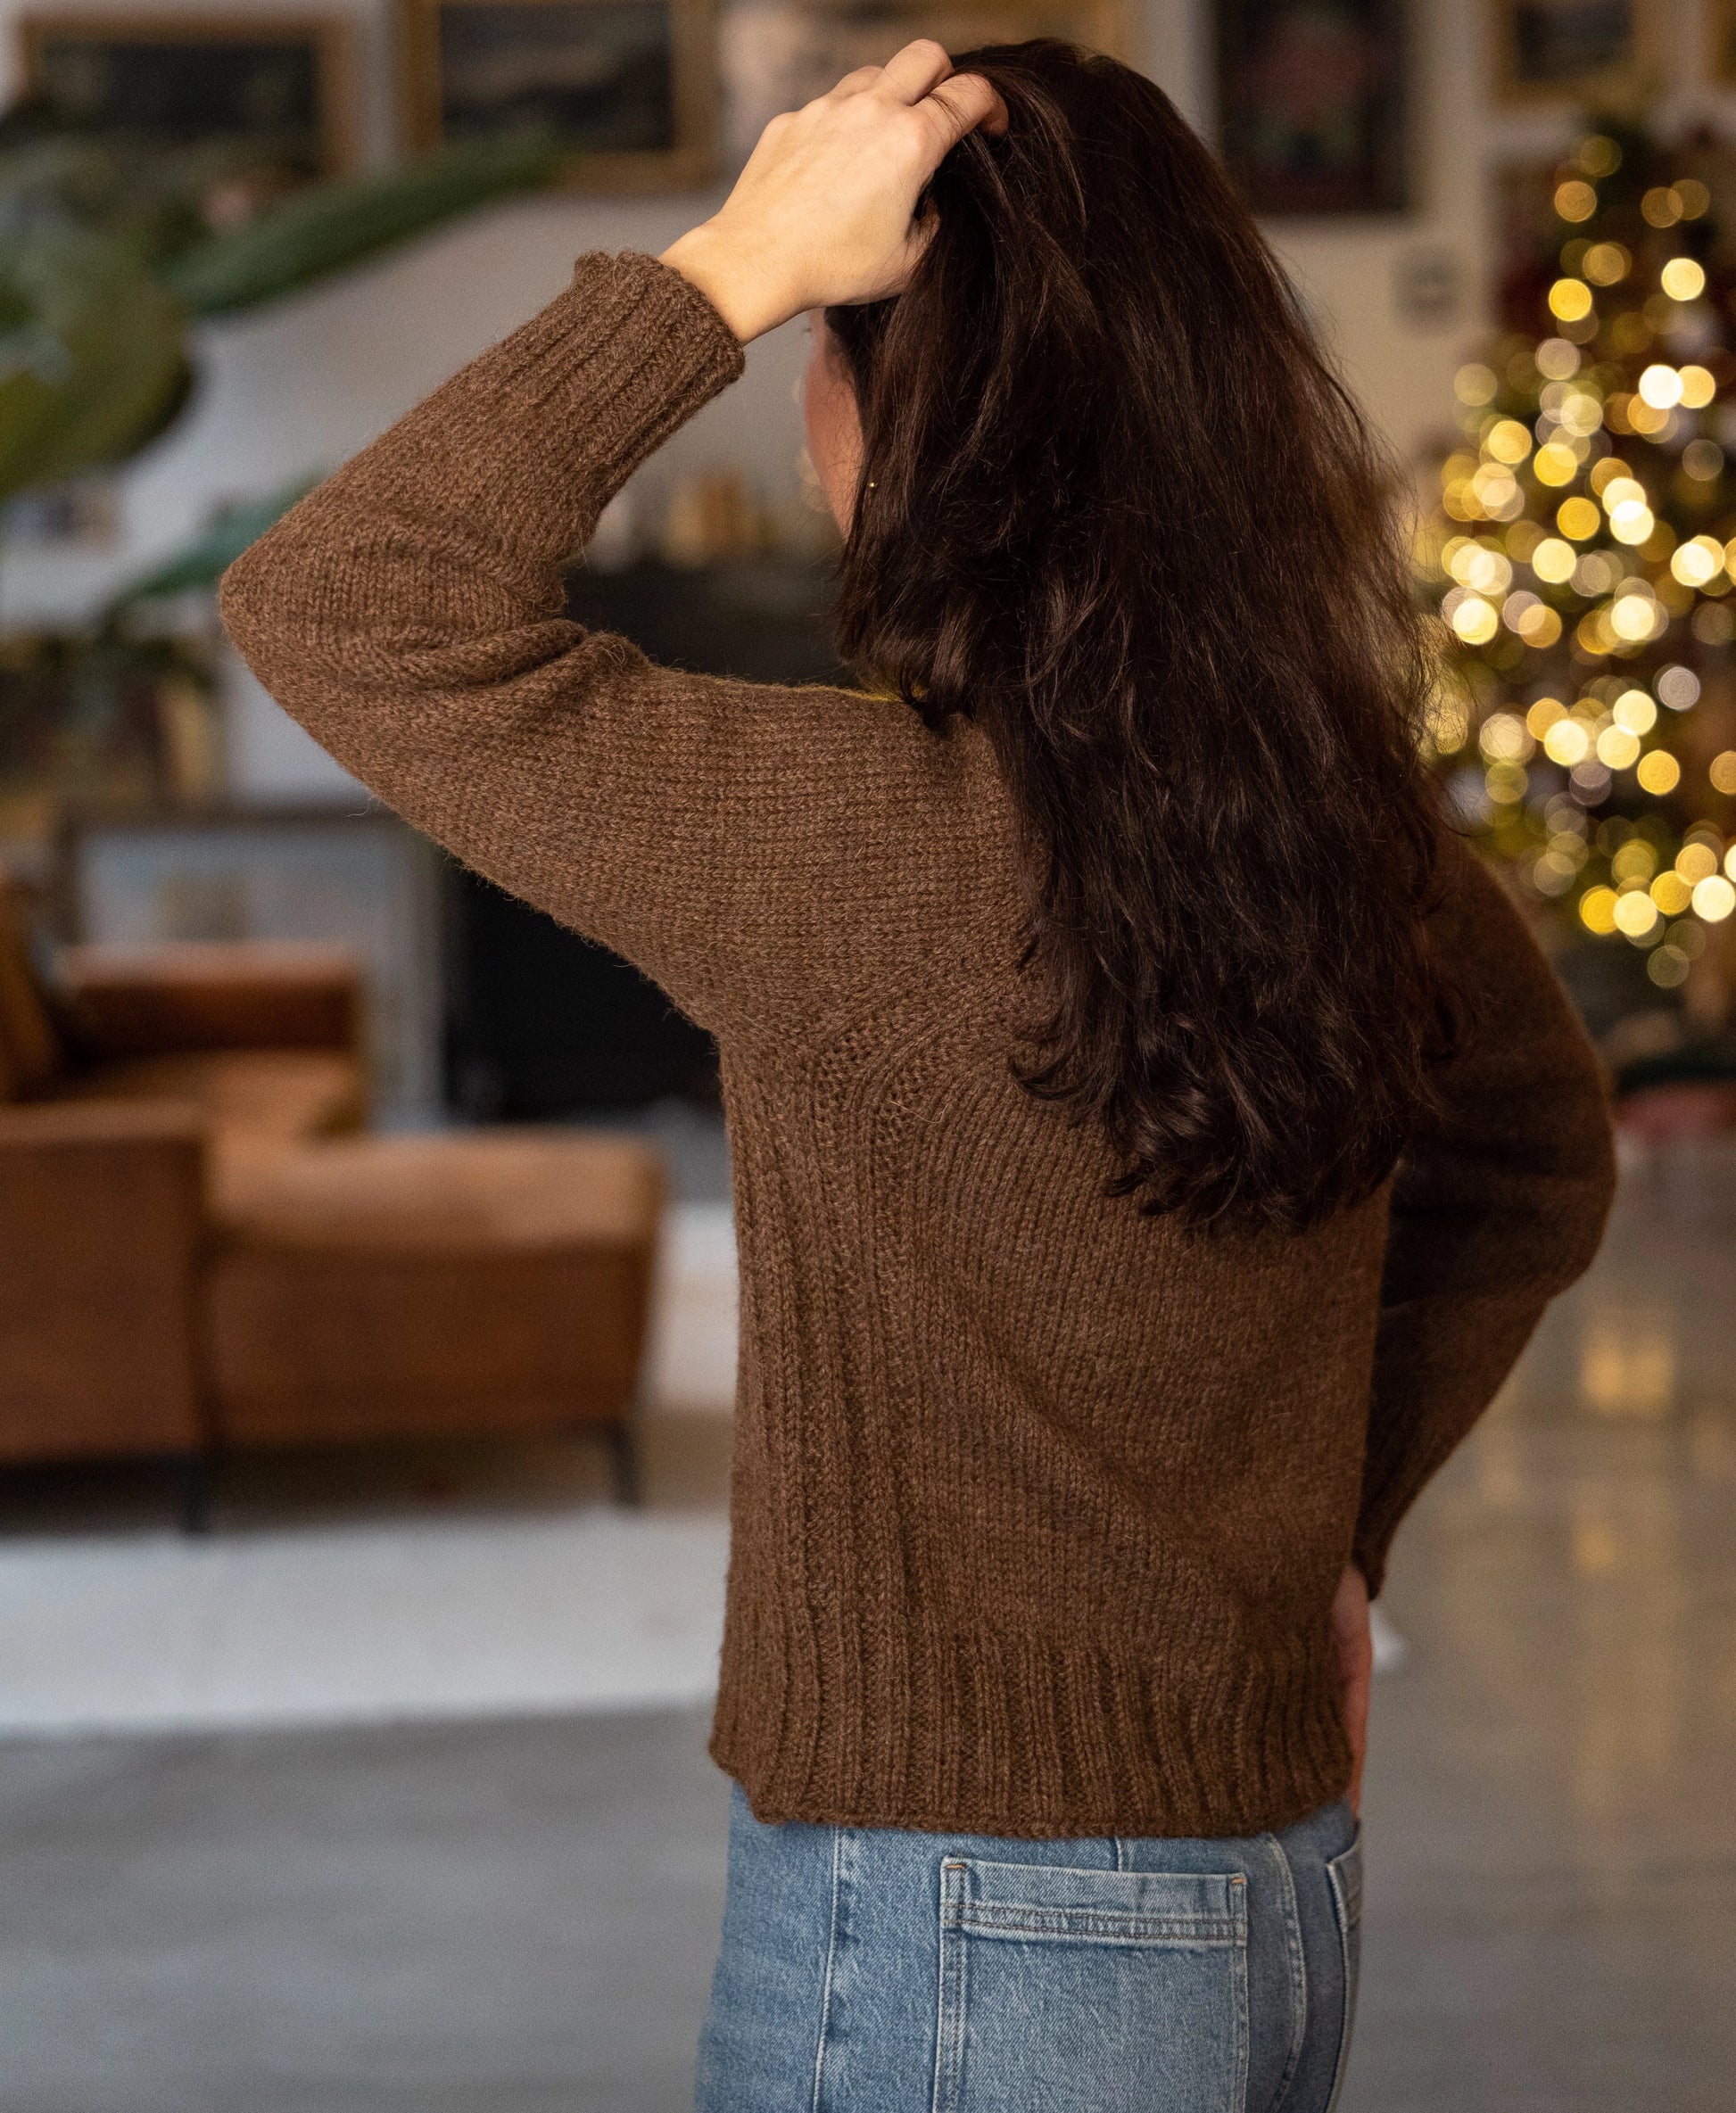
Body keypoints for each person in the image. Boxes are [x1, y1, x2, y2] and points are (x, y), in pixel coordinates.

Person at [220, 38, 1616, 2111]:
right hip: (1266, 1889)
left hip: (966, 1922)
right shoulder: (1346, 820)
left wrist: (721, 266)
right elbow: (1535, 1160)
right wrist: (1337, 1534)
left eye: (821, 348)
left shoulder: (843, 837)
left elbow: (338, 603)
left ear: (902, 415)